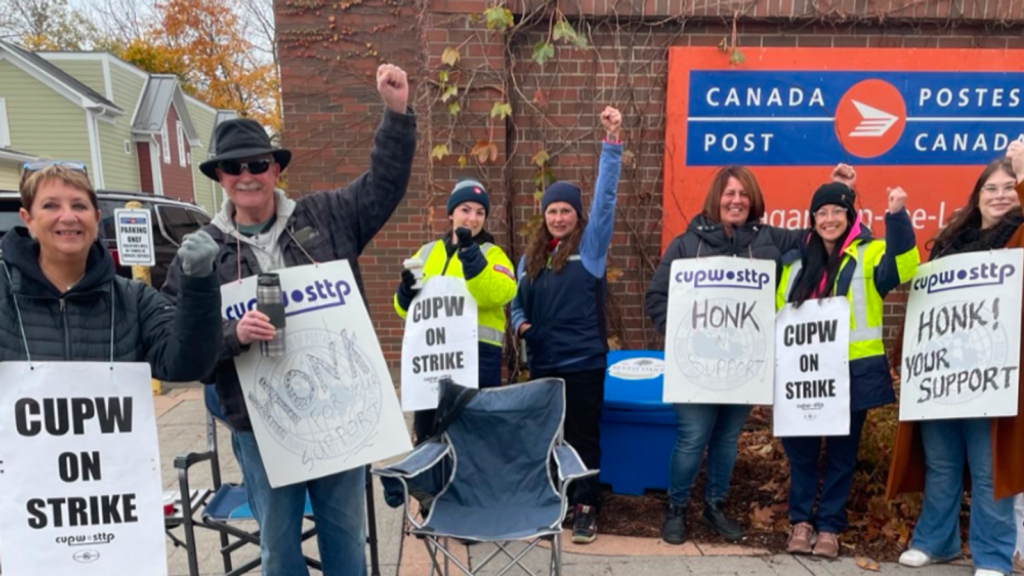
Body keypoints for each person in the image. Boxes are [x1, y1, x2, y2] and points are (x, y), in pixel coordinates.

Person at [162, 64, 416, 576]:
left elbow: (384, 185)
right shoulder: (201, 253)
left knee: (347, 539)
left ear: (276, 170)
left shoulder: (326, 216)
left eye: (258, 163)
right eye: (233, 167)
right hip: (261, 428)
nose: (247, 175)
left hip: (339, 412)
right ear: (219, 177)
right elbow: (176, 346)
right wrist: (232, 335)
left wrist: (396, 113)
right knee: (278, 549)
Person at [645, 165, 854, 544]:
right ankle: (676, 508)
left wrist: (839, 194)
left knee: (727, 440)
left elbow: (824, 232)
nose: (736, 200)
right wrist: (676, 334)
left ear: (753, 199)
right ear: (717, 198)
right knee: (693, 437)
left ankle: (714, 507)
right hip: (696, 365)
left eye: (743, 194)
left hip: (744, 363)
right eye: (729, 193)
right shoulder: (686, 244)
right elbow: (656, 297)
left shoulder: (770, 239)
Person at [886, 148, 1024, 576]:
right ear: (977, 196)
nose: (1000, 195)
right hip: (942, 373)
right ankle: (936, 542)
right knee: (941, 464)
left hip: (994, 376)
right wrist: (905, 354)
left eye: (1009, 188)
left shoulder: (1018, 239)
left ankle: (993, 556)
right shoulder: (950, 243)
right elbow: (924, 303)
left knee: (989, 469)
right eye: (991, 188)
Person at [777, 179, 918, 558]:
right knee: (801, 453)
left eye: (837, 211)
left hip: (851, 374)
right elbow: (778, 315)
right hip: (803, 376)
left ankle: (829, 526)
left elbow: (904, 266)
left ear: (850, 215)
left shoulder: (870, 253)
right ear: (812, 219)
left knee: (842, 455)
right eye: (821, 212)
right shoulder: (793, 262)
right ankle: (801, 522)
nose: (829, 219)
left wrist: (897, 217)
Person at [510, 106, 622, 544]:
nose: (559, 217)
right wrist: (522, 328)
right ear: (544, 215)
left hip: (583, 362)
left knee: (582, 438)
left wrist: (611, 144)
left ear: (577, 215)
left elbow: (606, 199)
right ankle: (556, 503)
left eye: (566, 211)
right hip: (544, 363)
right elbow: (516, 304)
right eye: (552, 211)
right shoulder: (530, 259)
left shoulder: (590, 248)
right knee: (549, 438)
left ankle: (586, 507)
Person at [0, 161, 220, 374]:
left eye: (79, 205)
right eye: (50, 205)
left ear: (96, 218)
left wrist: (199, 282)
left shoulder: (135, 300)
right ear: (28, 219)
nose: (68, 217)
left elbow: (187, 364)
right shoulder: (4, 292)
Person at [395, 179, 516, 441]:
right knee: (428, 435)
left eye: (480, 212)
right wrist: (405, 294)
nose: (473, 218)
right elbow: (406, 312)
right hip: (432, 357)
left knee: (475, 437)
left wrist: (473, 260)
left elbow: (501, 293)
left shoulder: (492, 254)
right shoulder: (426, 253)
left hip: (477, 357)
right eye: (465, 210)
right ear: (451, 213)